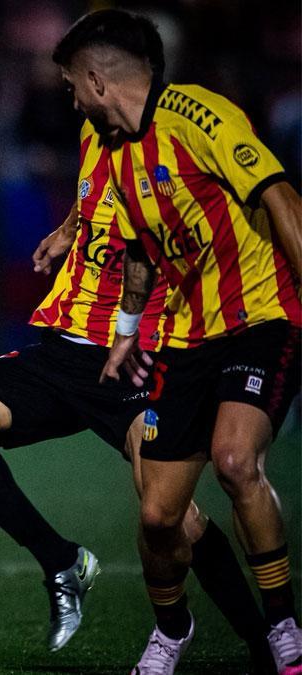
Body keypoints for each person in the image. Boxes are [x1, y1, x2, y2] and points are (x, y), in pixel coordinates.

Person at [0, 103, 273, 666]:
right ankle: (62, 562)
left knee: (174, 517)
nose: (68, 91)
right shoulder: (94, 130)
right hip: (62, 346)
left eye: (73, 81)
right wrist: (66, 231)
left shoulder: (185, 146)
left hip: (135, 361)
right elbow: (95, 199)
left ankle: (262, 642)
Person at [53, 9, 301, 674]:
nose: (72, 98)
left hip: (259, 317)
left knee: (235, 459)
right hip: (184, 337)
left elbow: (281, 199)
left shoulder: (199, 115)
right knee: (160, 513)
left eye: (73, 84)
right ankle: (172, 629)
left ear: (99, 79)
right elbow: (138, 248)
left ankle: (283, 625)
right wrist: (128, 331)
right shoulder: (108, 149)